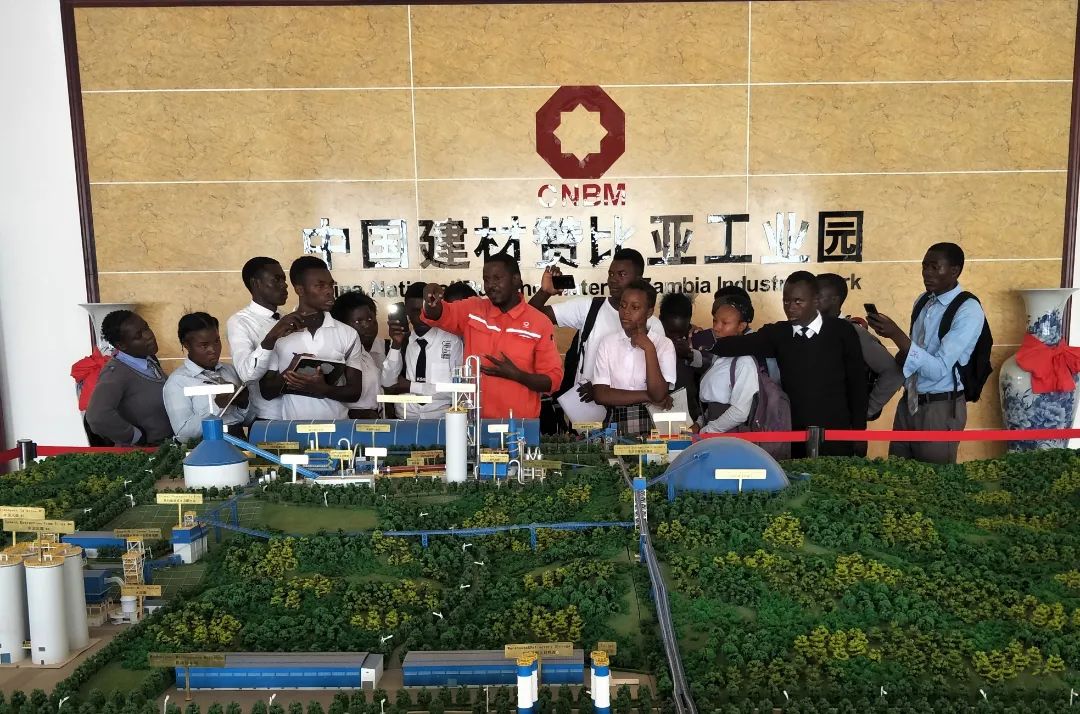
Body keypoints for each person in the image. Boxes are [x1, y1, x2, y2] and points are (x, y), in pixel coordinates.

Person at [707, 270, 868, 457]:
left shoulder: (842, 331)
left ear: (815, 300)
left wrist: (859, 432)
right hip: (794, 435)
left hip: (836, 434)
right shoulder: (779, 333)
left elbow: (857, 384)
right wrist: (701, 344)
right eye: (786, 301)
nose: (790, 307)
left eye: (798, 301)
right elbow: (736, 345)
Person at [867, 243, 985, 464]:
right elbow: (915, 352)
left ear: (955, 271)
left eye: (934, 267)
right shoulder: (923, 301)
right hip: (909, 403)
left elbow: (938, 369)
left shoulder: (968, 309)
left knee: (933, 479)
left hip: (940, 408)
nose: (927, 273)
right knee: (898, 475)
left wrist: (896, 335)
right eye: (924, 266)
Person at [421, 255, 563, 420]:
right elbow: (438, 314)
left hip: (519, 425)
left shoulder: (539, 323)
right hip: (474, 422)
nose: (490, 285)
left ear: (516, 280)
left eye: (497, 278)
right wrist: (430, 300)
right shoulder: (473, 309)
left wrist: (518, 375)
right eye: (486, 280)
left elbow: (553, 381)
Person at [529, 248, 661, 414]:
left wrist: (601, 390)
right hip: (585, 414)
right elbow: (529, 319)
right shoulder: (589, 307)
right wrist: (544, 292)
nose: (613, 280)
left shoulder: (653, 325)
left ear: (639, 279)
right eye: (611, 274)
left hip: (635, 415)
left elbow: (656, 378)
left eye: (621, 274)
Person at [260, 256, 366, 420]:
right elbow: (267, 392)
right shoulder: (278, 333)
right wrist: (290, 372)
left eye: (331, 285)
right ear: (300, 290)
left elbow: (355, 393)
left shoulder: (348, 333)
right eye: (320, 285)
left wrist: (323, 389)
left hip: (338, 429)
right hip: (294, 430)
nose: (329, 291)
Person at [592, 279, 677, 437]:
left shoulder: (663, 344)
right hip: (615, 422)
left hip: (653, 423)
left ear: (649, 312)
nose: (626, 312)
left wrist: (649, 349)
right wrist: (647, 396)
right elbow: (600, 394)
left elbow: (659, 394)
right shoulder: (607, 343)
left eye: (635, 307)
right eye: (623, 305)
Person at [817, 273, 903, 422]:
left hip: (840, 424)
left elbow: (894, 372)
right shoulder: (809, 330)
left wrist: (865, 411)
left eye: (816, 294)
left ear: (834, 299)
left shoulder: (853, 332)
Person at [226, 257, 303, 421]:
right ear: (256, 283)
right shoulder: (239, 322)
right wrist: (272, 336)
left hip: (296, 414)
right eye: (277, 279)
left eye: (284, 279)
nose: (284, 285)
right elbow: (246, 375)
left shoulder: (286, 317)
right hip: (266, 418)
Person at [85, 310, 172, 445]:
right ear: (121, 345)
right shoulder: (115, 374)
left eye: (146, 328)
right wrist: (135, 436)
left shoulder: (148, 359)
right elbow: (97, 416)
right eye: (138, 335)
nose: (149, 336)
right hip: (148, 452)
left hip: (168, 445)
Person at [379, 282, 463, 419]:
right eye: (415, 311)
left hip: (440, 419)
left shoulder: (452, 341)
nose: (421, 316)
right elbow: (387, 383)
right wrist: (396, 344)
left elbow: (458, 389)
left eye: (425, 310)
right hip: (405, 417)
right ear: (406, 311)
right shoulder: (402, 342)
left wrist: (411, 387)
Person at [163, 312, 250, 440]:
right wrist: (216, 406)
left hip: (240, 441)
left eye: (217, 341)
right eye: (204, 345)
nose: (213, 350)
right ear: (186, 345)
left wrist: (243, 402)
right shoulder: (178, 382)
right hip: (205, 446)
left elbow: (246, 419)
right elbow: (183, 434)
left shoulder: (230, 370)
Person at [694, 299, 760, 434]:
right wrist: (699, 424)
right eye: (715, 321)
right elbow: (714, 399)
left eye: (725, 323)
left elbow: (740, 412)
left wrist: (709, 430)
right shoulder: (720, 357)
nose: (716, 328)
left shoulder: (744, 362)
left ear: (741, 326)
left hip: (729, 436)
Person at [330, 291, 384, 419]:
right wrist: (354, 414)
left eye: (370, 319)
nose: (367, 325)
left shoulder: (364, 354)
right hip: (350, 425)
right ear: (342, 325)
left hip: (374, 422)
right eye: (358, 321)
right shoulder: (336, 354)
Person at [658, 292, 701, 422]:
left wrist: (689, 354)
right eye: (671, 332)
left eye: (681, 332)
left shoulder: (697, 337)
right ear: (660, 320)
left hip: (689, 414)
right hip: (657, 412)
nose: (676, 337)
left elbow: (709, 365)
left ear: (689, 322)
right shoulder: (652, 340)